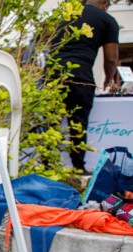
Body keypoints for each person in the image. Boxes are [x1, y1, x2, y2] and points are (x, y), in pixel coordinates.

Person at [52, 0, 119, 174]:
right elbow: (111, 58)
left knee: (51, 123)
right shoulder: (107, 20)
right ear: (105, 4)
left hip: (52, 75)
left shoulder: (64, 15)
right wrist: (108, 79)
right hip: (80, 77)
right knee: (78, 123)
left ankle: (48, 166)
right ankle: (78, 168)